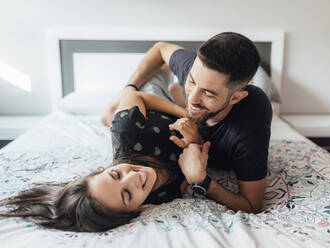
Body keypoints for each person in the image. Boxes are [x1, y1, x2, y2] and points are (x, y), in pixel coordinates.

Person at [0, 69, 204, 232]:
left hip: (153, 106)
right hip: (176, 113)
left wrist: (187, 115)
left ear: (103, 170)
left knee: (161, 71)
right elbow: (193, 170)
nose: (133, 178)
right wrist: (195, 142)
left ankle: (113, 109)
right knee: (180, 90)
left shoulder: (128, 132)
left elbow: (137, 96)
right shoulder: (161, 196)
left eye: (116, 174)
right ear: (131, 213)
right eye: (126, 195)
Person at [116, 32, 273, 213]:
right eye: (191, 81)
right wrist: (129, 88)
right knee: (150, 84)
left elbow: (252, 205)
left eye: (208, 93)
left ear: (236, 97)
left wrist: (202, 181)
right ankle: (175, 90)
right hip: (180, 108)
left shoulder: (250, 125)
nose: (193, 97)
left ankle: (174, 91)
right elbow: (159, 48)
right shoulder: (197, 67)